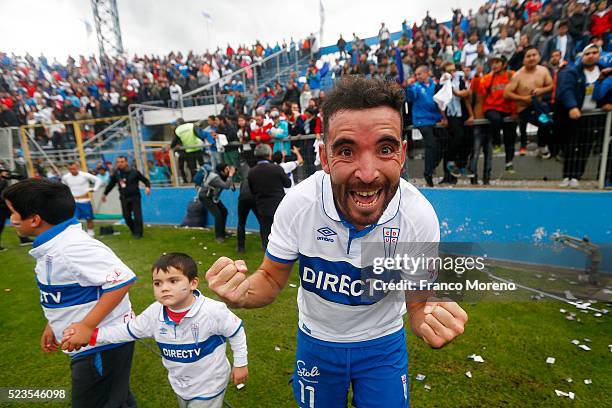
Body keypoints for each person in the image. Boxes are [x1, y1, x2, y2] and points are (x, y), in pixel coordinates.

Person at [205, 77, 467, 408]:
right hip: (316, 343)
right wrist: (242, 294)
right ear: (324, 157)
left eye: (385, 149)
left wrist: (428, 316)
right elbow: (271, 278)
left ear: (402, 155)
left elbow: (417, 303)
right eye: (346, 150)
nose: (368, 173)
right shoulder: (300, 205)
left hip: (383, 344)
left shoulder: (418, 216)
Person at [2, 178, 137, 408]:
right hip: (95, 343)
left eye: (13, 212)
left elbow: (122, 280)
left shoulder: (72, 247)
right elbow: (64, 293)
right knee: (115, 397)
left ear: (35, 219)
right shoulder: (55, 244)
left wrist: (86, 326)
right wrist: (52, 324)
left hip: (101, 344)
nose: (11, 219)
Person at [62, 252, 248, 408]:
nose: (164, 288)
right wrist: (92, 335)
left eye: (173, 281)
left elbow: (236, 331)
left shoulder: (212, 311)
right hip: (180, 383)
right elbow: (127, 331)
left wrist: (240, 364)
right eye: (158, 283)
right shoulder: (154, 314)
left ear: (193, 283)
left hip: (209, 384)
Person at [554, 44, 607, 188]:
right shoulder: (573, 72)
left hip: (594, 116)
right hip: (575, 116)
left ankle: (577, 176)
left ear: (599, 55)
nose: (591, 55)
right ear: (582, 56)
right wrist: (572, 106)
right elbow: (566, 90)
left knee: (585, 148)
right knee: (570, 146)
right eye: (587, 53)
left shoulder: (604, 72)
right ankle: (567, 176)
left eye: (594, 53)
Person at [504, 46, 554, 160]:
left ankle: (542, 146)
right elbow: (506, 93)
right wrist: (523, 98)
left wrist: (541, 90)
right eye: (528, 56)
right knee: (544, 123)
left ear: (539, 56)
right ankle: (535, 146)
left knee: (547, 123)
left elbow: (550, 86)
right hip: (525, 109)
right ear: (523, 60)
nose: (531, 58)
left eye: (534, 55)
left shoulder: (543, 70)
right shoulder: (518, 75)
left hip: (539, 106)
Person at [406, 65, 446, 187]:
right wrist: (408, 86)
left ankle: (432, 167)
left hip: (436, 120)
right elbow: (410, 97)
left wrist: (443, 117)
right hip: (421, 120)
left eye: (419, 74)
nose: (417, 76)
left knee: (444, 143)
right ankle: (428, 173)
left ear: (427, 73)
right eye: (416, 74)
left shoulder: (435, 85)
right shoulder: (415, 87)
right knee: (431, 144)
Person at [247, 144, 291, 250]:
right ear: (269, 155)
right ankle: (283, 250)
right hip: (278, 205)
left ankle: (266, 249)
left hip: (262, 206)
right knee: (281, 229)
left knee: (265, 228)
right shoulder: (276, 168)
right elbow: (288, 184)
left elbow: (252, 190)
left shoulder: (251, 172)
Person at [478, 54, 517, 174]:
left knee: (510, 136)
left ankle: (509, 162)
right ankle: (496, 142)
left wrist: (515, 110)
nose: (494, 65)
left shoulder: (512, 75)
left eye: (497, 62)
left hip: (508, 108)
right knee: (495, 119)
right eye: (493, 63)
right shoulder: (488, 78)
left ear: (504, 64)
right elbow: (480, 89)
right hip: (492, 107)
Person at [102, 156, 151, 238]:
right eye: (118, 162)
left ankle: (139, 233)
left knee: (137, 216)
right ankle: (134, 230)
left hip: (135, 197)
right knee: (126, 216)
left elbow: (145, 180)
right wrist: (105, 194)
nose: (120, 164)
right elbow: (111, 184)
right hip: (124, 197)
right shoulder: (117, 174)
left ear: (126, 162)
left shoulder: (134, 172)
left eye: (122, 162)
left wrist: (147, 187)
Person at [62, 161, 103, 237]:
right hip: (73, 201)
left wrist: (94, 189)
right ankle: (78, 234)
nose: (72, 171)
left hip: (85, 200)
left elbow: (98, 180)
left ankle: (90, 233)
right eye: (70, 169)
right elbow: (63, 187)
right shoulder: (66, 177)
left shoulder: (85, 175)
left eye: (74, 168)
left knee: (89, 218)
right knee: (73, 219)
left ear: (77, 167)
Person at [199, 163, 235, 243]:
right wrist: (231, 175)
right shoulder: (215, 177)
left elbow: (229, 185)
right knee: (218, 215)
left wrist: (230, 176)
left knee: (224, 212)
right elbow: (226, 186)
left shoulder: (221, 175)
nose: (228, 171)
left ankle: (223, 232)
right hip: (205, 197)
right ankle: (219, 236)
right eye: (226, 169)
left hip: (212, 197)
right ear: (221, 171)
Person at [0, 166, 33, 250]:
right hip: (2, 207)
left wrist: (11, 176)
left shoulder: (4, 181)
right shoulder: (3, 182)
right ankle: (23, 239)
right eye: (3, 172)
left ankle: (23, 239)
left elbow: (23, 178)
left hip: (5, 207)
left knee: (18, 220)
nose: (5, 173)